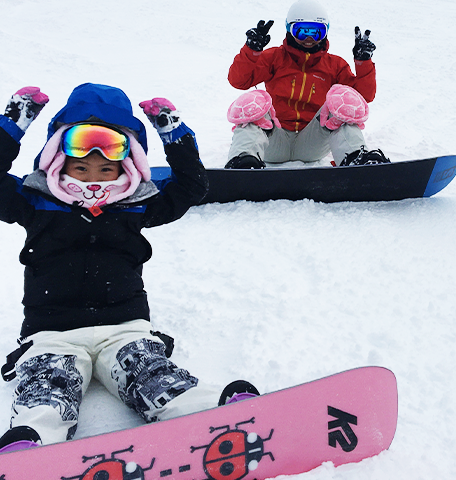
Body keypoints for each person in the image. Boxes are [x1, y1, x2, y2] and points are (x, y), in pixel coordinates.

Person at [0, 84, 258, 453]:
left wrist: (174, 135)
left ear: (129, 165)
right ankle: (31, 441)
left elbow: (191, 187)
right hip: (51, 331)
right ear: (58, 161)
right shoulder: (36, 201)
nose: (93, 179)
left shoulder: (137, 204)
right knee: (49, 385)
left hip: (123, 326)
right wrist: (12, 125)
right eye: (81, 167)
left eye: (106, 169)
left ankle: (210, 414)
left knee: (150, 373)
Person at [225, 0, 390, 169]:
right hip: (273, 140)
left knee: (344, 103)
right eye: (302, 32)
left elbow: (363, 97)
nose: (309, 39)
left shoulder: (334, 65)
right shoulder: (275, 58)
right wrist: (251, 51)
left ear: (326, 32)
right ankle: (243, 160)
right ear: (290, 29)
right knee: (253, 102)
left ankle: (355, 158)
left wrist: (363, 62)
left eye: (317, 33)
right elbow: (239, 80)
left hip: (312, 142)